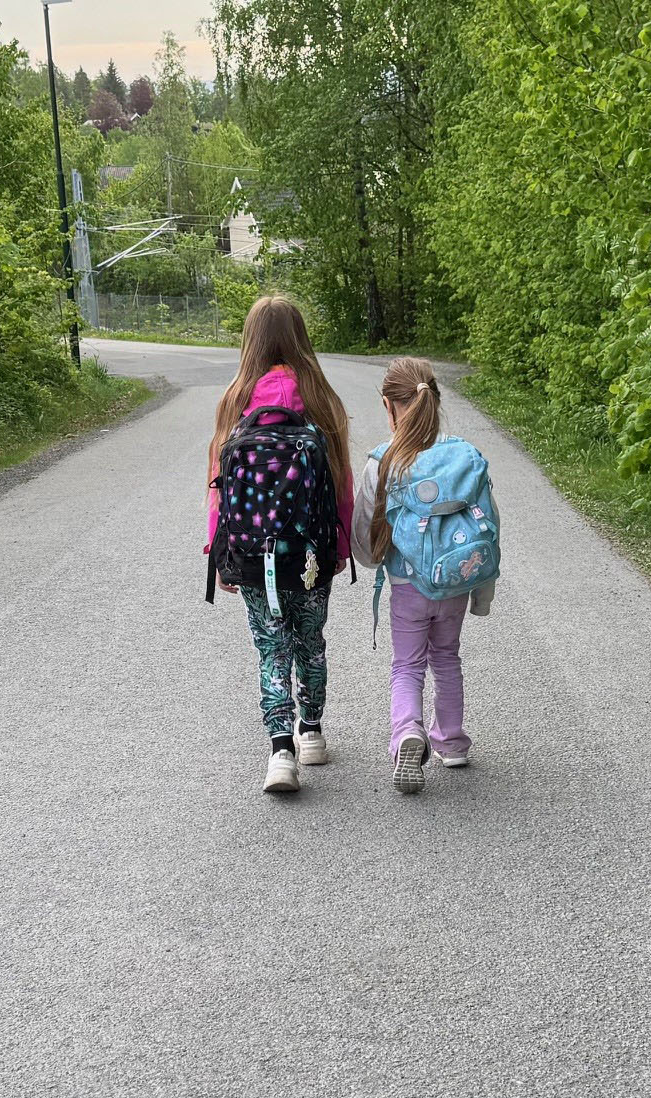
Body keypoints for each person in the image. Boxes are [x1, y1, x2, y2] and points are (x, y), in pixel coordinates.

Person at [205, 296, 354, 795]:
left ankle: (280, 753)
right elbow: (341, 482)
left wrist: (219, 552)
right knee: (310, 640)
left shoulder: (235, 400)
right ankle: (311, 732)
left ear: (250, 340)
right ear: (300, 337)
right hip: (312, 551)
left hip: (252, 553)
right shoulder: (321, 398)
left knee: (271, 646)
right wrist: (340, 544)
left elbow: (218, 487)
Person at [350, 358, 497, 794]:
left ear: (388, 405)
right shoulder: (465, 458)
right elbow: (490, 525)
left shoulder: (384, 462)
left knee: (407, 665)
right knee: (447, 657)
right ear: (434, 398)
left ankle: (407, 734)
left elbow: (364, 533)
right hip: (455, 582)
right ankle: (451, 741)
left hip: (407, 585)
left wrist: (372, 560)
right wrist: (482, 593)